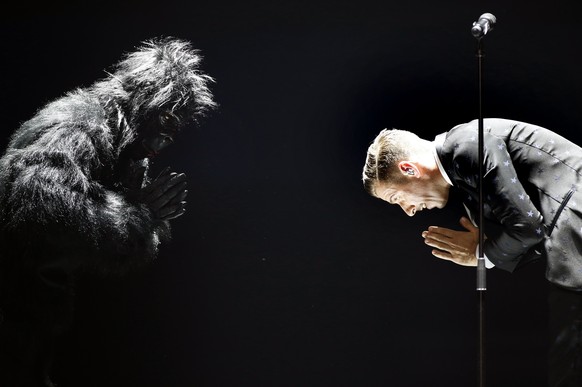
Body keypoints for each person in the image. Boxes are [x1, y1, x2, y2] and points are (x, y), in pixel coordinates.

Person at [0, 37, 215, 386]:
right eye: (165, 122)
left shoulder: (129, 146)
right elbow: (37, 200)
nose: (166, 141)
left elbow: (118, 239)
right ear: (145, 102)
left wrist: (148, 220)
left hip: (40, 306)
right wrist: (139, 216)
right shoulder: (81, 123)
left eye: (174, 130)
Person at [362, 118, 582, 291]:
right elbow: (528, 242)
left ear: (409, 169)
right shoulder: (463, 178)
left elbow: (528, 227)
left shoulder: (467, 145)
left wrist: (483, 254)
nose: (408, 211)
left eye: (397, 198)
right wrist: (488, 247)